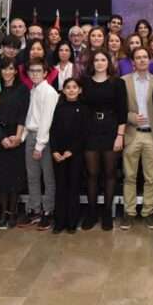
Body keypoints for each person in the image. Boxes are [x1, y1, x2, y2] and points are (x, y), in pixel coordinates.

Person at [80, 50, 128, 231]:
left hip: (111, 129)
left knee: (109, 173)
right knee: (92, 173)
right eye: (96, 60)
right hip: (90, 130)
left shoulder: (118, 83)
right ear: (92, 63)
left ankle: (107, 212)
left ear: (109, 62)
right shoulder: (84, 82)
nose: (100, 63)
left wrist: (120, 136)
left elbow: (122, 111)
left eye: (103, 60)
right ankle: (92, 212)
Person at [120, 47, 153, 231]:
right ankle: (129, 212)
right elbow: (117, 108)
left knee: (151, 177)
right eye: (138, 58)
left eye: (145, 57)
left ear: (150, 60)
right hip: (132, 134)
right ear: (133, 62)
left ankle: (148, 211)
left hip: (152, 135)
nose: (142, 60)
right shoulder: (123, 82)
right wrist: (130, 117)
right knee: (129, 176)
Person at [0, 58, 30, 230]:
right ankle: (3, 212)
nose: (7, 72)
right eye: (4, 69)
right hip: (0, 137)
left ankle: (13, 212)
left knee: (15, 176)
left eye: (10, 69)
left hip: (17, 135)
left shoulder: (23, 89)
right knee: (0, 176)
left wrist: (18, 136)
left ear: (16, 71)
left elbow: (24, 113)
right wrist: (2, 138)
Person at [20, 58, 59, 230]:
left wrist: (39, 145)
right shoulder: (33, 90)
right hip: (31, 136)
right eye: (31, 71)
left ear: (45, 73)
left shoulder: (49, 92)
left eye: (38, 71)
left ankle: (48, 211)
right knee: (33, 177)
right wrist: (22, 137)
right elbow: (31, 117)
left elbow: (46, 120)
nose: (34, 74)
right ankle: (35, 209)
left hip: (44, 139)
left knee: (48, 178)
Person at [50, 78, 89, 233]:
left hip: (75, 154)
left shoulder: (84, 109)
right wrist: (54, 151)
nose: (71, 90)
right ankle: (59, 222)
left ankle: (72, 222)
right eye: (68, 87)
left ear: (80, 90)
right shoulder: (58, 108)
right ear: (63, 91)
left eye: (74, 87)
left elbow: (84, 133)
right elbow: (52, 131)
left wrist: (71, 151)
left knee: (73, 187)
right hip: (58, 154)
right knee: (60, 188)